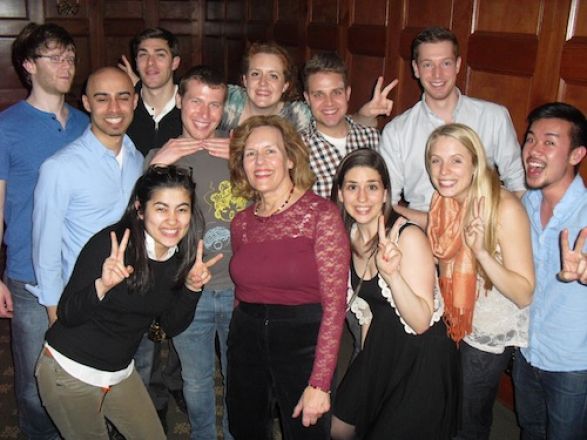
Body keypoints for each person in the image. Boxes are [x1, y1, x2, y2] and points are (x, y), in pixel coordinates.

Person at [35, 164, 222, 439]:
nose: (172, 220)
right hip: (70, 373)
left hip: (119, 372)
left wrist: (192, 289)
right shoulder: (111, 245)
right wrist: (102, 286)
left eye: (181, 209)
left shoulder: (179, 256)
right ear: (140, 208)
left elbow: (168, 326)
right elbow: (67, 315)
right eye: (161, 208)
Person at [227, 115, 350, 439]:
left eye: (270, 151)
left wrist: (320, 382)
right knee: (246, 429)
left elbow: (336, 306)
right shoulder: (241, 222)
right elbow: (242, 292)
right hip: (246, 339)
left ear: (291, 158)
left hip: (303, 342)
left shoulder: (321, 215)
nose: (259, 161)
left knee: (306, 433)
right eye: (250, 153)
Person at [329, 149, 459, 440]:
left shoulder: (407, 236)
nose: (362, 198)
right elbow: (366, 312)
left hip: (422, 357)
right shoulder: (345, 237)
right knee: (339, 427)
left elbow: (421, 322)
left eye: (372, 187)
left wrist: (392, 275)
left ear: (385, 192)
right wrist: (365, 365)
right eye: (352, 187)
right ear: (340, 193)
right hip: (380, 346)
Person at [147, 65, 245, 440]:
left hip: (242, 289)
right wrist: (159, 163)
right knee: (197, 380)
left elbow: (284, 186)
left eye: (215, 104)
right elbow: (139, 215)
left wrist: (244, 153)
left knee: (241, 376)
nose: (205, 114)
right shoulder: (160, 154)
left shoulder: (241, 147)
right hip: (188, 291)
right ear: (179, 101)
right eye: (196, 102)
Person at [0, 22, 88, 439]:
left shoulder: (87, 124)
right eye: (55, 57)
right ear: (28, 65)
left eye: (70, 56)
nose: (67, 64)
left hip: (84, 271)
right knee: (37, 383)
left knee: (84, 375)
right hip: (29, 272)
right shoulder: (7, 127)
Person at [425, 123, 535, 440]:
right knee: (445, 407)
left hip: (487, 334)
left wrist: (483, 254)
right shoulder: (443, 202)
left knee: (467, 421)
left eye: (456, 160)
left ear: (475, 163)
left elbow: (524, 293)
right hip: (453, 321)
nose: (444, 170)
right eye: (436, 160)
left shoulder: (503, 208)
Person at [380, 26, 526, 228]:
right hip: (423, 233)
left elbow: (519, 185)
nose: (437, 74)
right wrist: (443, 226)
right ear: (415, 68)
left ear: (458, 65)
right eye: (428, 64)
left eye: (446, 63)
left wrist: (498, 229)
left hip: (484, 230)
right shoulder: (396, 132)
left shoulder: (494, 117)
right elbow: (387, 204)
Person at [121, 27, 188, 428]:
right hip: (138, 235)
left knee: (180, 318)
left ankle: (174, 379)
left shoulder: (194, 108)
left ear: (175, 61)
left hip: (182, 232)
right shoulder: (124, 111)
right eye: (143, 54)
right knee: (140, 326)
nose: (151, 63)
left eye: (160, 54)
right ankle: (149, 398)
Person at [513, 102, 587, 440]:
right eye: (530, 139)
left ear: (576, 155)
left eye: (549, 142)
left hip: (572, 365)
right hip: (526, 351)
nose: (533, 150)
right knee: (531, 430)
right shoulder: (523, 206)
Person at [219, 41, 396, 134]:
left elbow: (333, 118)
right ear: (244, 80)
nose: (263, 83)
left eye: (273, 76)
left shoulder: (297, 115)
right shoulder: (224, 100)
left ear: (285, 85)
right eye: (256, 74)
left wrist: (365, 115)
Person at [301, 52, 382, 198]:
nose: (329, 103)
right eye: (319, 95)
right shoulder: (297, 149)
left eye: (336, 92)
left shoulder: (372, 138)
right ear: (307, 98)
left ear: (347, 93)